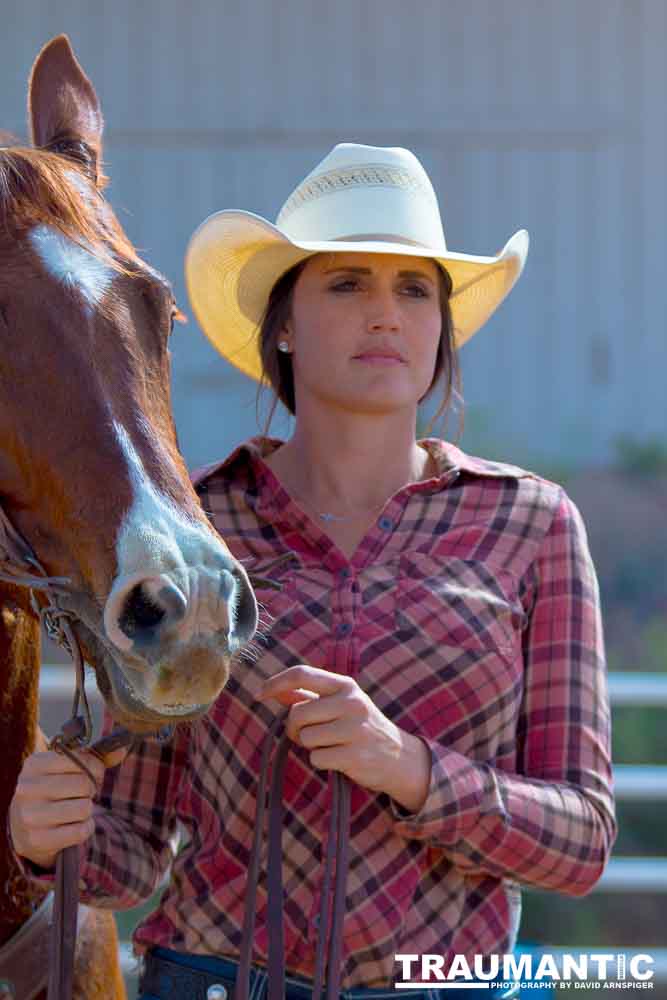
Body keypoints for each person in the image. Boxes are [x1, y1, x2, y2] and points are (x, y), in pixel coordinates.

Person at [9, 143, 617, 1000]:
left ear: (441, 326)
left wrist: (407, 766)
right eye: (346, 284)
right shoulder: (194, 532)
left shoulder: (530, 525)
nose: (385, 314)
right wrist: (47, 836)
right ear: (284, 324)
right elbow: (131, 846)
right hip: (212, 982)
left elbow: (582, 842)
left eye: (413, 289)